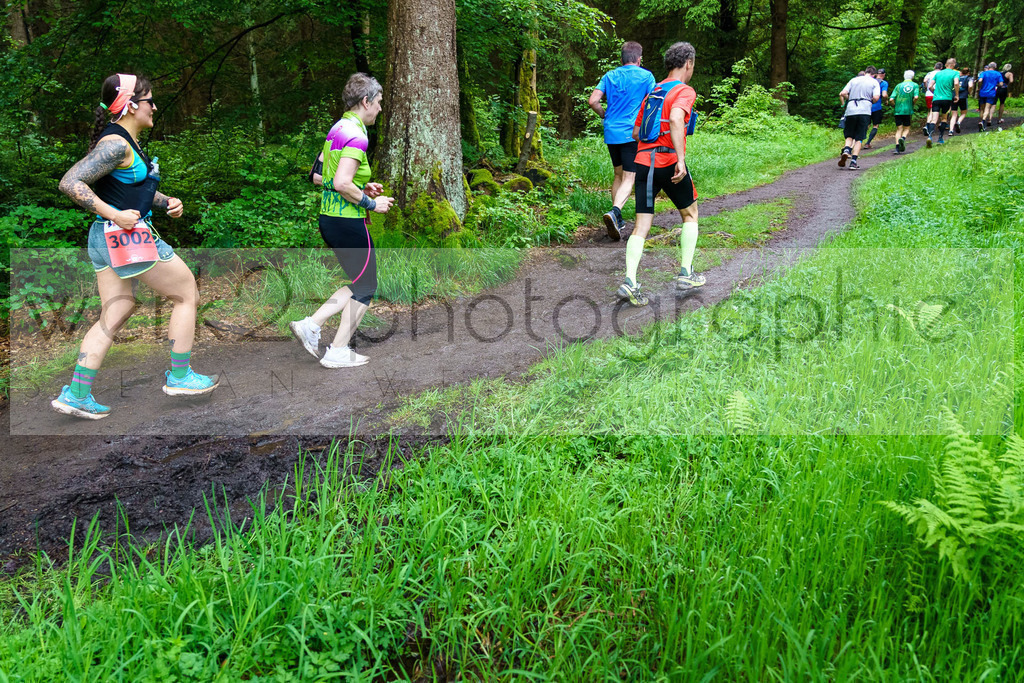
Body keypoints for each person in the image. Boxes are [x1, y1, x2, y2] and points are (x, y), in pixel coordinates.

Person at [51, 73, 218, 420]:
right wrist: (117, 215)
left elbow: (128, 190)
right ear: (130, 105)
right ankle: (182, 377)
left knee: (116, 311)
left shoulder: (125, 142)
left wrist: (164, 201)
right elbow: (70, 182)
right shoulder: (116, 144)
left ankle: (78, 394)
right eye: (149, 101)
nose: (154, 107)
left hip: (103, 238)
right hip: (125, 239)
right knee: (186, 294)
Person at [289, 73, 394, 368]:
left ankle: (310, 325)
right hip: (348, 221)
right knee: (366, 286)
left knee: (359, 281)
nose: (380, 108)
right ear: (366, 101)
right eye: (379, 102)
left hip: (331, 219)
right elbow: (342, 183)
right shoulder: (357, 135)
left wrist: (360, 188)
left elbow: (318, 176)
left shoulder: (338, 128)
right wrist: (372, 202)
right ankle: (336, 350)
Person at [616, 42, 702, 307]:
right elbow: (676, 119)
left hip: (643, 162)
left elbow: (635, 132)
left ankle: (630, 280)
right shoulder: (684, 91)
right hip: (667, 160)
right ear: (688, 63)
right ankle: (686, 274)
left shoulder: (654, 91)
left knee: (642, 225)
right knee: (690, 214)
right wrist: (681, 159)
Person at [589, 41, 656, 241]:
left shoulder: (610, 75)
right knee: (630, 177)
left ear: (622, 59)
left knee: (618, 175)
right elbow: (653, 102)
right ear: (639, 59)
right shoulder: (646, 76)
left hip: (611, 132)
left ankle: (616, 221)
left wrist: (604, 115)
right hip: (631, 133)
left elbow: (593, 101)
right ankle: (615, 212)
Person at [838, 66, 880, 170]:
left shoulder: (854, 80)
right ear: (874, 74)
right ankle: (853, 162)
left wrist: (851, 98)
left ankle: (847, 150)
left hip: (851, 110)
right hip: (864, 111)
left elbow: (843, 93)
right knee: (859, 138)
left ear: (865, 72)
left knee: (849, 134)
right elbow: (876, 98)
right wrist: (870, 101)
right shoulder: (874, 82)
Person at [928, 58, 960, 145]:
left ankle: (930, 137)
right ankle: (940, 138)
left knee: (934, 119)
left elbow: (930, 86)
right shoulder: (955, 73)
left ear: (945, 65)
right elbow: (956, 83)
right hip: (947, 98)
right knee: (944, 118)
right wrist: (957, 95)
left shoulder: (938, 73)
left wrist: (935, 93)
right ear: (953, 65)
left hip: (936, 99)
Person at [890, 70, 919, 154]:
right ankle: (903, 138)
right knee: (906, 128)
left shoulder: (898, 86)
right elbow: (916, 97)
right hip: (907, 109)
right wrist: (912, 103)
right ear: (912, 77)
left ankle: (897, 148)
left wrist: (894, 105)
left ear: (904, 76)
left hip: (898, 110)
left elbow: (891, 99)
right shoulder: (915, 85)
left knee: (899, 129)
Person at [863, 67, 888, 149]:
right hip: (876, 107)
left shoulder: (869, 81)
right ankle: (868, 143)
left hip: (866, 106)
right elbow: (884, 95)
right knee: (875, 125)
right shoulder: (883, 83)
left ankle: (858, 141)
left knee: (867, 125)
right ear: (883, 75)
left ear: (877, 74)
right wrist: (886, 100)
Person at [976, 62, 1004, 131]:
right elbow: (1001, 84)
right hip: (991, 93)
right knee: (987, 108)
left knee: (982, 109)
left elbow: (979, 81)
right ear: (995, 67)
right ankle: (983, 121)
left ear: (988, 67)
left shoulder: (984, 73)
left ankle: (981, 121)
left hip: (982, 92)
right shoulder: (998, 74)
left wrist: (979, 87)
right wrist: (996, 85)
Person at [921, 61, 942, 136]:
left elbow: (924, 80)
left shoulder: (929, 73)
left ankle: (927, 124)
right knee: (934, 111)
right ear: (941, 68)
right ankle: (928, 126)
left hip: (928, 94)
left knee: (930, 110)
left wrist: (926, 87)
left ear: (934, 67)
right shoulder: (941, 73)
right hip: (937, 93)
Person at [952, 66, 974, 134]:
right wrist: (969, 92)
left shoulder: (956, 77)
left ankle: (951, 130)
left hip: (954, 96)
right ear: (968, 73)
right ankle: (958, 122)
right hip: (963, 97)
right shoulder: (969, 78)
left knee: (954, 114)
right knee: (964, 112)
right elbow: (970, 86)